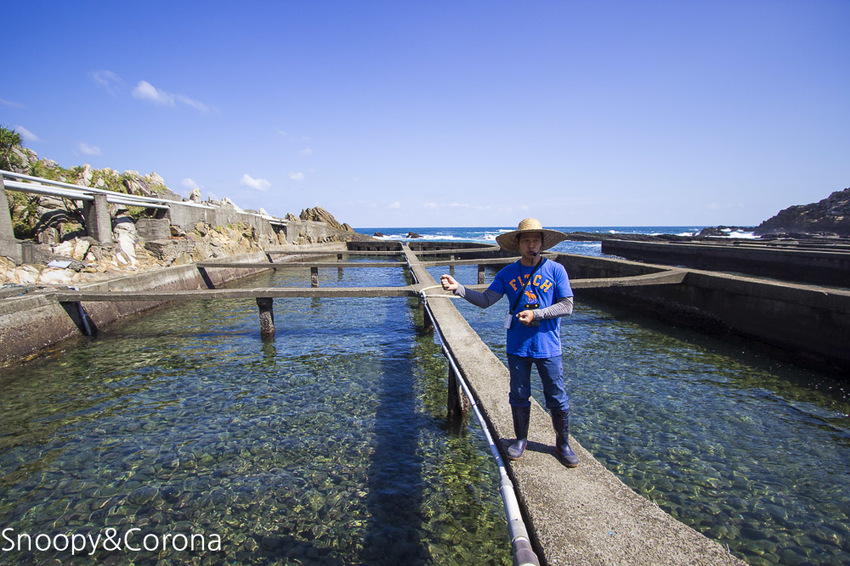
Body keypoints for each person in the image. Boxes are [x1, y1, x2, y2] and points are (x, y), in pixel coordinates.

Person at [440, 218, 579, 467]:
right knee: (518, 394)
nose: (531, 245)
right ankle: (521, 439)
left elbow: (567, 305)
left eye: (535, 240)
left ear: (542, 243)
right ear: (518, 244)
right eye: (526, 240)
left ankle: (562, 443)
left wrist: (537, 314)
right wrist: (459, 288)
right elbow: (486, 300)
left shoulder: (556, 270)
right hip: (517, 346)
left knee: (557, 396)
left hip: (549, 347)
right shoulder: (507, 273)